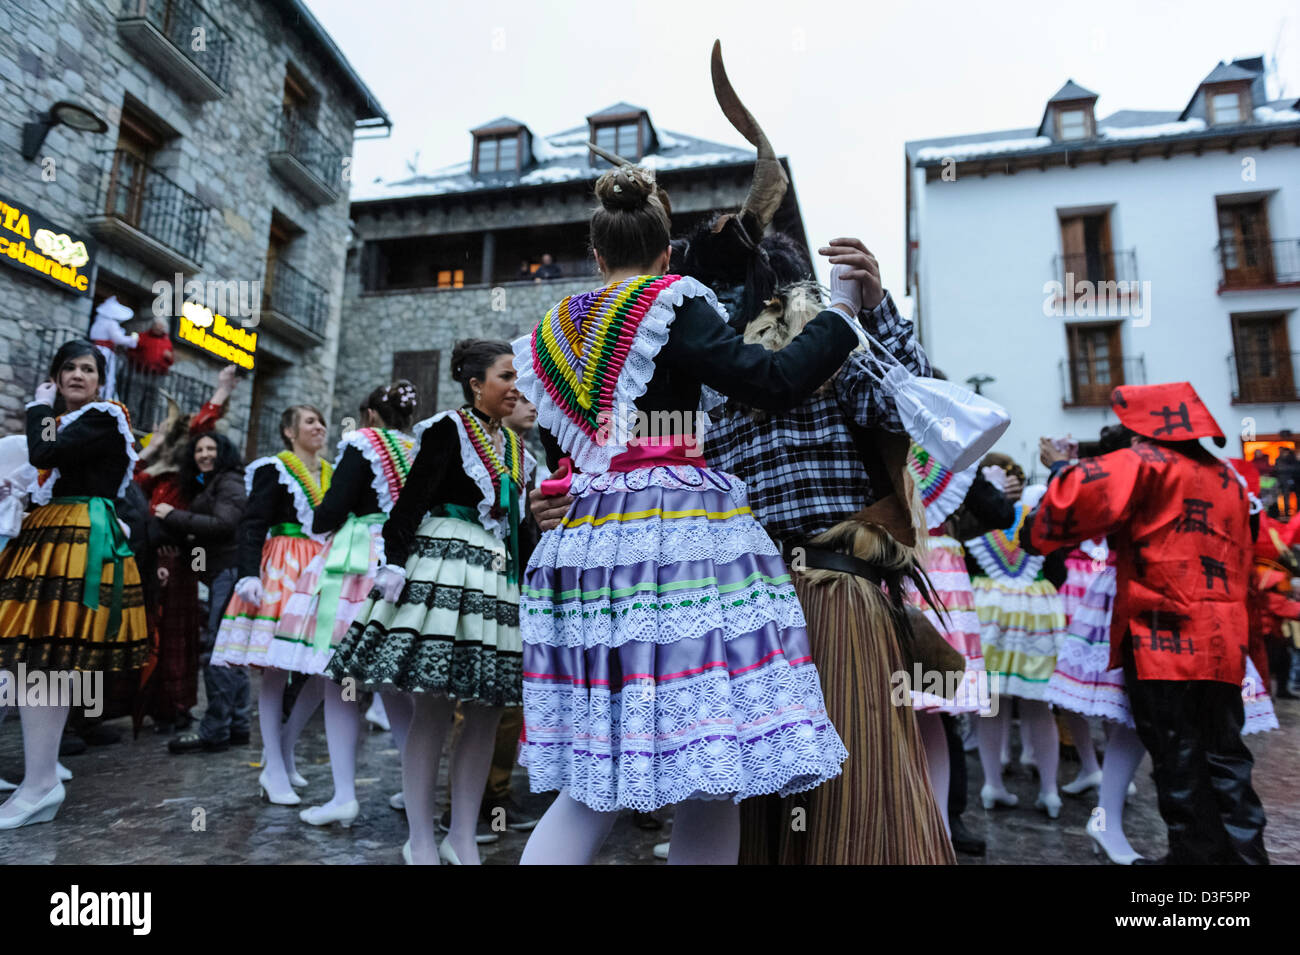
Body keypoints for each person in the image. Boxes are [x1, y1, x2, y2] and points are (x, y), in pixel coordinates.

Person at [514, 154, 861, 866]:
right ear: (666, 250)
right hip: (675, 536)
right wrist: (845, 315)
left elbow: (563, 453)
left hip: (588, 544)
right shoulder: (675, 300)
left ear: (595, 249)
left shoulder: (551, 333)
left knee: (591, 777)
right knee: (711, 766)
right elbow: (771, 379)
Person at [1026, 381, 1268, 864]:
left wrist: (1057, 466)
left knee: (1178, 757)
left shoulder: (1145, 464)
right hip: (1222, 638)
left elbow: (1063, 512)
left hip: (1162, 635)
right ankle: (1241, 861)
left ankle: (1196, 865)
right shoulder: (1224, 476)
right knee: (1225, 757)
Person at [327, 340, 534, 865]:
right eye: (506, 375)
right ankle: (419, 835)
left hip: (493, 577)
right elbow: (411, 499)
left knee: (487, 708)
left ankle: (461, 834)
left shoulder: (516, 449)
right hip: (443, 563)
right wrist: (394, 561)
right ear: (476, 384)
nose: (516, 385)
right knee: (435, 706)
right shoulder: (446, 429)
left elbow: (520, 530)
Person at [0, 340, 148, 827]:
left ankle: (40, 781)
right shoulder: (76, 423)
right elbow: (43, 464)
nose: (79, 375)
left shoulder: (105, 415)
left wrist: (38, 405)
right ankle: (42, 773)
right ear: (58, 374)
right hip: (53, 535)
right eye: (70, 368)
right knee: (37, 658)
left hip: (77, 538)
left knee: (45, 656)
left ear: (101, 381)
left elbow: (43, 449)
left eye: (88, 369)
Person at [273, 381, 418, 828]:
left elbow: (331, 510)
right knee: (393, 682)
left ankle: (343, 795)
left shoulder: (362, 443)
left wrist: (331, 513)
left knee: (339, 676)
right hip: (403, 559)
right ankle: (416, 791)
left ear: (371, 415)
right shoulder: (417, 447)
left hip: (357, 556)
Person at [210, 405, 332, 805]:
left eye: (321, 421)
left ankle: (281, 750)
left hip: (320, 568)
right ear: (288, 431)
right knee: (277, 668)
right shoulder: (273, 468)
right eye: (310, 421)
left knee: (320, 670)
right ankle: (273, 769)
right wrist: (248, 574)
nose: (319, 427)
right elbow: (252, 522)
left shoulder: (332, 472)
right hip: (282, 565)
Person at [904, 443, 1014, 856]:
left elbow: (998, 514)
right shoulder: (948, 456)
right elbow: (999, 513)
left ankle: (938, 821)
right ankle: (943, 823)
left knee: (922, 702)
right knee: (937, 703)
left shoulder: (886, 437)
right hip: (937, 572)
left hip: (895, 564)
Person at [966, 455, 1066, 820]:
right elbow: (1058, 571)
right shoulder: (1037, 518)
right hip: (1035, 615)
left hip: (988, 612)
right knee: (1039, 705)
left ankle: (992, 784)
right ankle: (1050, 791)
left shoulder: (973, 521)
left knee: (991, 704)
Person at [162, 433, 249, 754]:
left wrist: (173, 516)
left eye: (211, 448)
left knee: (219, 649)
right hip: (222, 573)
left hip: (228, 571)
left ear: (223, 452)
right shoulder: (210, 481)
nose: (204, 454)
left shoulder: (229, 481)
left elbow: (225, 523)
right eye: (198, 449)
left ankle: (215, 731)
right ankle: (237, 725)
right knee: (232, 649)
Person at [88, 296, 138, 401]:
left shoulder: (99, 320)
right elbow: (118, 339)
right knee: (106, 376)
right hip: (105, 352)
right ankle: (102, 397)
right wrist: (132, 339)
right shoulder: (111, 323)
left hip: (95, 350)